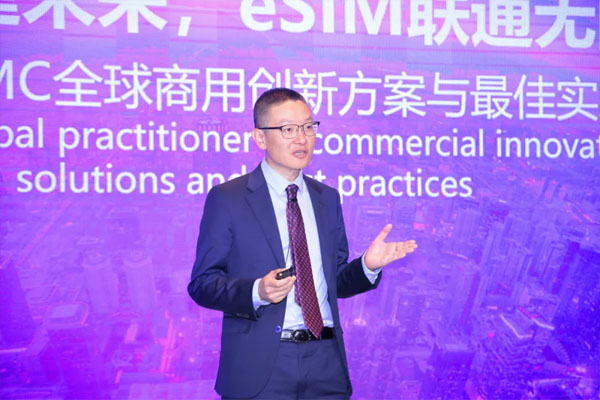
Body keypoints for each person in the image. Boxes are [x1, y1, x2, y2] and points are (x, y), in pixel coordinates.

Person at [188, 88, 417, 399]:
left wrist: (367, 266)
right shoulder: (228, 199)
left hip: (326, 361)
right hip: (260, 363)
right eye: (288, 129)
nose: (302, 138)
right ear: (260, 138)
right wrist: (257, 291)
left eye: (309, 127)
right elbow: (202, 283)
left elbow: (334, 282)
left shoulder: (327, 198)